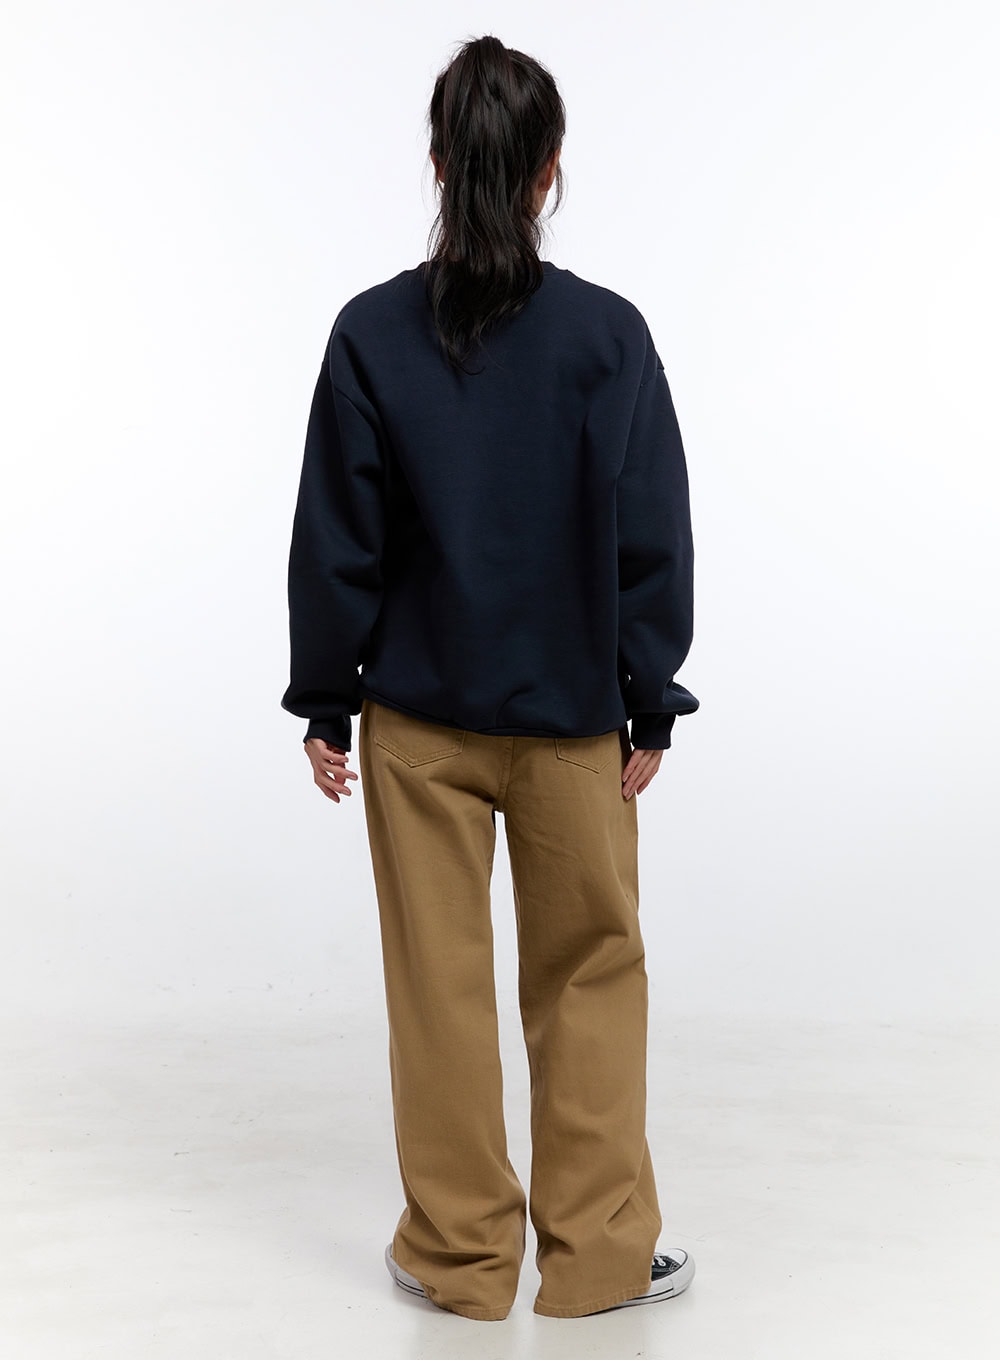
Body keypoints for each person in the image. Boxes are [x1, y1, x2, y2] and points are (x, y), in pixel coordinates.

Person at [280, 33, 699, 1322]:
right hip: (577, 725)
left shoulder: (371, 334)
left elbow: (336, 539)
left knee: (439, 989)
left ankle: (461, 1261)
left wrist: (325, 696)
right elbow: (652, 534)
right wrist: (650, 697)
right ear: (548, 169)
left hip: (417, 724)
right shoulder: (608, 336)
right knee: (591, 977)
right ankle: (600, 1261)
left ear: (438, 161)